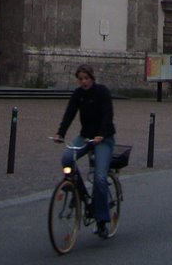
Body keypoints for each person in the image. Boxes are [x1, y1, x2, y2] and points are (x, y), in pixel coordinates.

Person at [53, 64, 116, 238]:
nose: (84, 82)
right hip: (86, 137)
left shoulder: (102, 92)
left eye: (86, 78)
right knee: (67, 157)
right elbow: (69, 114)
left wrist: (102, 134)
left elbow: (107, 115)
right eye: (81, 79)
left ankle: (102, 220)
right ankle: (75, 188)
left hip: (103, 139)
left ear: (92, 78)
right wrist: (60, 133)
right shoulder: (78, 94)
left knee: (100, 178)